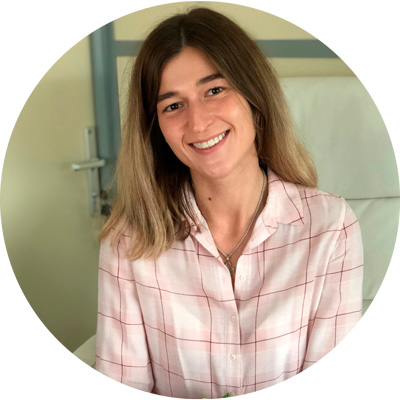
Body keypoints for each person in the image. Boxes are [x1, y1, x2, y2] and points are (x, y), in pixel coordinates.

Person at [95, 7, 363, 398]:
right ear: (157, 131)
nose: (198, 122)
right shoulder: (128, 240)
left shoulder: (331, 226)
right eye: (173, 105)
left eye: (215, 90)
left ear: (254, 96)